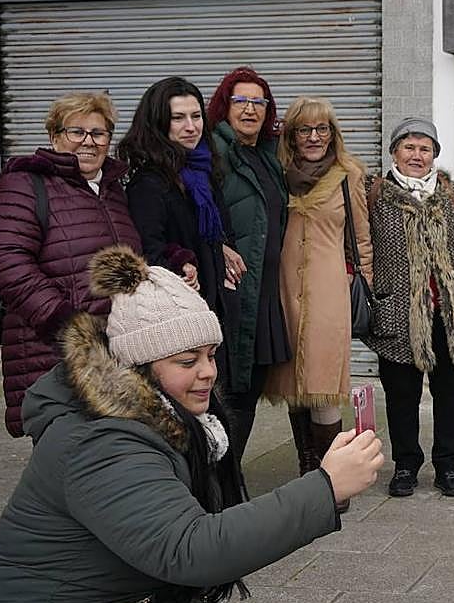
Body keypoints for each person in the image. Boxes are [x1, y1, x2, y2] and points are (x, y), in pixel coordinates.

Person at [0, 245, 384, 603]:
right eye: (186, 361)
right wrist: (324, 487)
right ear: (141, 366)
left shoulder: (158, 419)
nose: (207, 372)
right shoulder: (102, 442)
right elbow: (191, 549)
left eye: (210, 354)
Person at [0, 91, 143, 438]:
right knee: (65, 458)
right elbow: (7, 260)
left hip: (110, 355)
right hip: (51, 351)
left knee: (106, 460)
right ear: (55, 136)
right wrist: (64, 323)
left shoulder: (112, 191)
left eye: (99, 134)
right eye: (76, 132)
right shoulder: (23, 183)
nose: (89, 142)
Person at [363, 117, 454, 498]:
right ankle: (405, 465)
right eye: (409, 147)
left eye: (425, 149)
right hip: (396, 313)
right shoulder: (375, 195)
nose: (416, 155)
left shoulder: (452, 195)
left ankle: (448, 465)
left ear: (434, 154)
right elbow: (357, 247)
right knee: (401, 395)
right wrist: (374, 293)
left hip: (448, 315)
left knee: (450, 392)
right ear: (394, 152)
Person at [262, 97, 373, 504]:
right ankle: (308, 468)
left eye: (321, 129)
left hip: (330, 292)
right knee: (295, 381)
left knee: (325, 383)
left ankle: (333, 481)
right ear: (291, 135)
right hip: (283, 289)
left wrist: (363, 282)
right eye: (304, 130)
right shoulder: (275, 174)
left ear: (332, 134)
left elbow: (362, 238)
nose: (313, 138)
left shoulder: (348, 175)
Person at [119, 76, 245, 384]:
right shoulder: (149, 182)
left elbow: (211, 231)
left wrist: (221, 248)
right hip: (177, 322)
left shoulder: (202, 170)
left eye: (196, 115)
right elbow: (147, 250)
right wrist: (180, 264)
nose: (191, 126)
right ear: (158, 122)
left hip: (211, 310)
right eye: (178, 118)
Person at [207, 66, 290, 464]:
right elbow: (195, 213)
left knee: (248, 392)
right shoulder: (212, 154)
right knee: (227, 394)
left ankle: (229, 476)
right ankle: (218, 483)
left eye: (259, 102)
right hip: (230, 295)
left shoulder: (267, 155)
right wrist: (217, 246)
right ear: (225, 106)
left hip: (262, 295)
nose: (250, 109)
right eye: (241, 100)